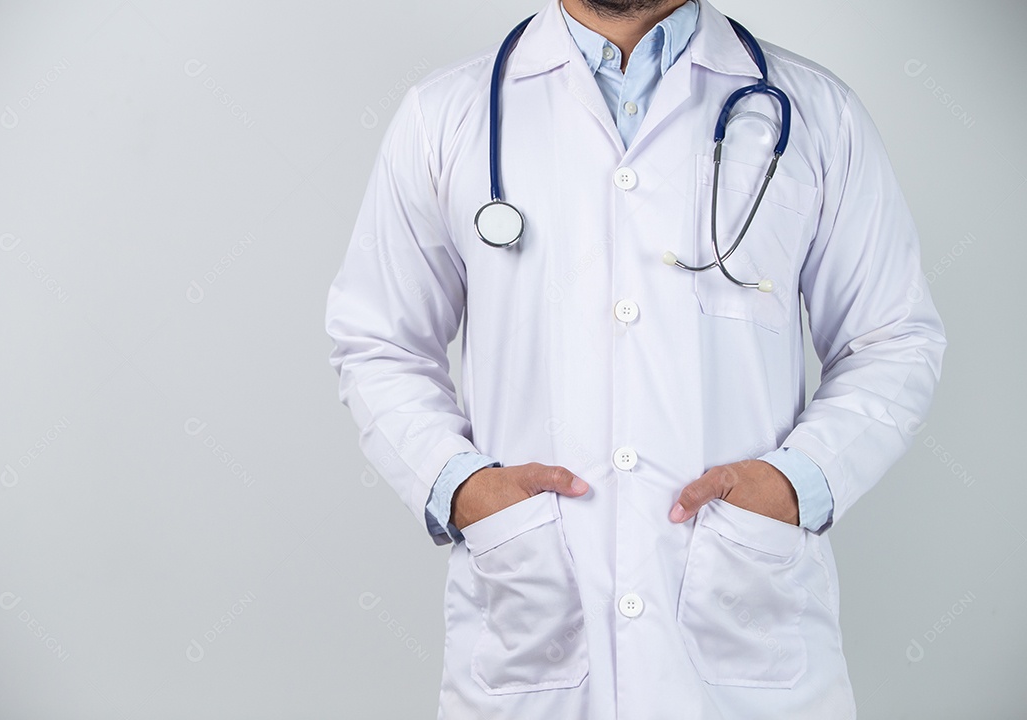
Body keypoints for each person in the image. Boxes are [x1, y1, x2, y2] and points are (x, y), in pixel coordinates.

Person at [324, 0, 946, 716]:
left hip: (744, 626)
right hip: (534, 621)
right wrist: (462, 489)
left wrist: (797, 483)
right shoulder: (446, 115)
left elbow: (893, 339)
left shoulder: (815, 114)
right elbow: (379, 340)